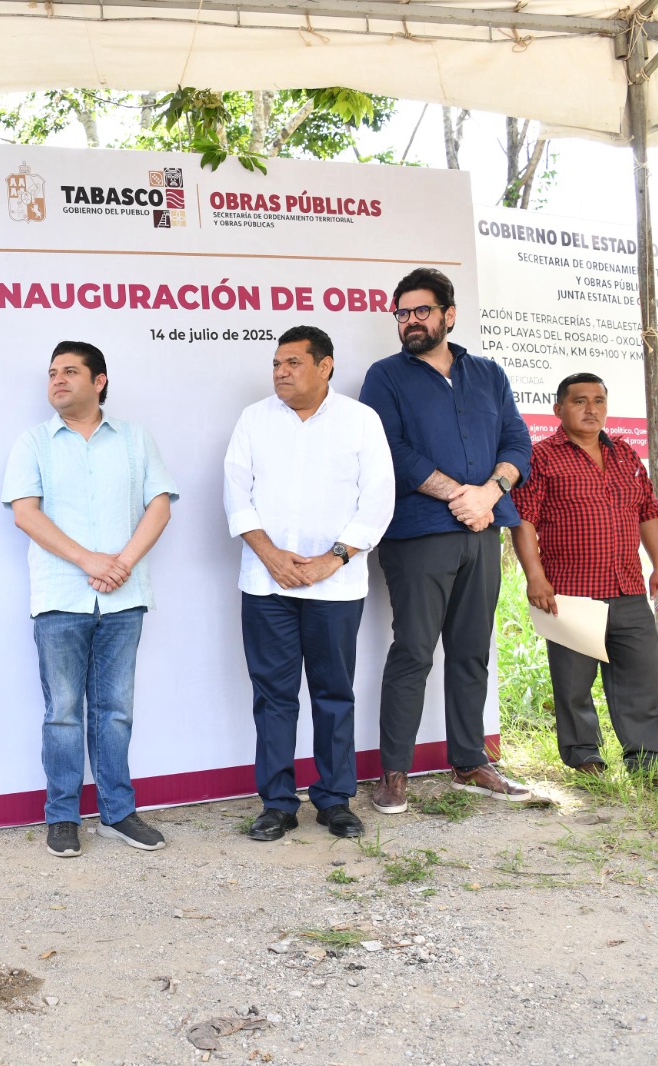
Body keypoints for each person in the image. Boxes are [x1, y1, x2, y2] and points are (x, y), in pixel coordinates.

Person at [358, 268, 534, 814]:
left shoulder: (489, 374)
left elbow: (518, 442)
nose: (410, 321)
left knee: (472, 650)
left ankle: (469, 760)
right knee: (413, 649)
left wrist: (489, 493)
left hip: (482, 533)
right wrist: (461, 493)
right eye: (402, 313)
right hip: (418, 534)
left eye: (421, 311)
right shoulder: (385, 376)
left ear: (448, 314)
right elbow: (390, 448)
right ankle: (394, 773)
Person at [2, 340, 178, 857]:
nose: (57, 380)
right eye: (52, 372)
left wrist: (120, 562)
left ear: (99, 380)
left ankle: (118, 814)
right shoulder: (33, 443)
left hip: (124, 599)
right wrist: (90, 560)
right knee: (62, 713)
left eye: (70, 371)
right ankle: (62, 817)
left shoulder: (134, 439)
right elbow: (25, 514)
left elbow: (160, 506)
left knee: (115, 710)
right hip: (60, 598)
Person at [224, 326, 394, 841]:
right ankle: (277, 803)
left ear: (326, 366)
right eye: (277, 363)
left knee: (333, 693)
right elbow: (237, 496)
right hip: (266, 585)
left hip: (336, 589)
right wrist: (271, 556)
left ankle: (334, 799)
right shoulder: (254, 420)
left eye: (293, 363)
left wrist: (332, 560)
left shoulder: (361, 422)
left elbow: (378, 500)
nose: (280, 372)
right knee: (274, 697)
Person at [509, 373, 658, 777]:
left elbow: (648, 512)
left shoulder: (624, 455)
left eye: (598, 400)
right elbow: (523, 521)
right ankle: (585, 759)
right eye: (579, 401)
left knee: (642, 682)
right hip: (570, 592)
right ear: (558, 409)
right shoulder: (541, 457)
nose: (591, 408)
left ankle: (646, 760)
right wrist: (535, 576)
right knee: (573, 685)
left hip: (628, 586)